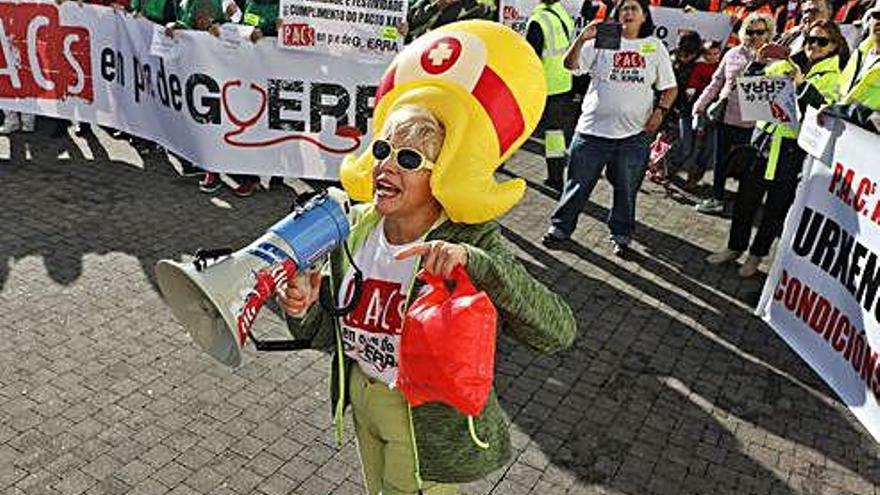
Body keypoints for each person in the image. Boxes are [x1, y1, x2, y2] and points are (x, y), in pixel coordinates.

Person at [707, 19, 846, 276]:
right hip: (762, 142)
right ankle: (734, 247)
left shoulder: (835, 76)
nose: (813, 45)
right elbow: (748, 84)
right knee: (745, 201)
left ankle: (756, 256)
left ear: (834, 46)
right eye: (810, 40)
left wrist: (802, 84)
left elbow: (825, 111)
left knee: (774, 209)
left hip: (792, 150)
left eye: (821, 41)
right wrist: (759, 62)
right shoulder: (784, 63)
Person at [543, 0, 678, 257]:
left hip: (634, 136)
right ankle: (560, 228)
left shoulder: (654, 47)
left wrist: (660, 112)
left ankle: (621, 235)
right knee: (577, 185)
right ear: (617, 15)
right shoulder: (602, 40)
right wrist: (582, 39)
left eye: (633, 9)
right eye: (624, 8)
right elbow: (570, 66)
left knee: (627, 190)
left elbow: (670, 88)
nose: (628, 13)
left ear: (644, 16)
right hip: (592, 132)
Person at [692, 12, 773, 214]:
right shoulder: (732, 53)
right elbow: (717, 81)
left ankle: (743, 207)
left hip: (754, 124)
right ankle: (717, 198)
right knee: (720, 162)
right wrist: (701, 104)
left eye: (759, 32)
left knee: (747, 167)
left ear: (768, 33)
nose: (753, 36)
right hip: (726, 116)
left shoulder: (773, 60)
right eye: (749, 31)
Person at [526, 0, 576, 190]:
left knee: (520, 125)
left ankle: (500, 161)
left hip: (544, 84)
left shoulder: (538, 19)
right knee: (555, 132)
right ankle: (555, 177)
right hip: (563, 82)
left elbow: (531, 57)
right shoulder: (561, 13)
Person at [682, 40, 722, 188]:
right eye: (709, 54)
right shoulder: (699, 67)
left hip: (717, 112)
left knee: (709, 146)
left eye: (716, 54)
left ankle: (698, 174)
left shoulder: (722, 66)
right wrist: (691, 90)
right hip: (701, 111)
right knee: (697, 145)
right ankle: (691, 176)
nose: (712, 57)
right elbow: (693, 83)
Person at [666, 31, 704, 179]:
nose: (685, 57)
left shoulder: (702, 64)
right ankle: (667, 165)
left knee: (691, 147)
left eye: (689, 54)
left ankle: (674, 167)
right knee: (683, 145)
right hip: (675, 108)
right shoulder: (671, 60)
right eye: (683, 53)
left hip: (693, 110)